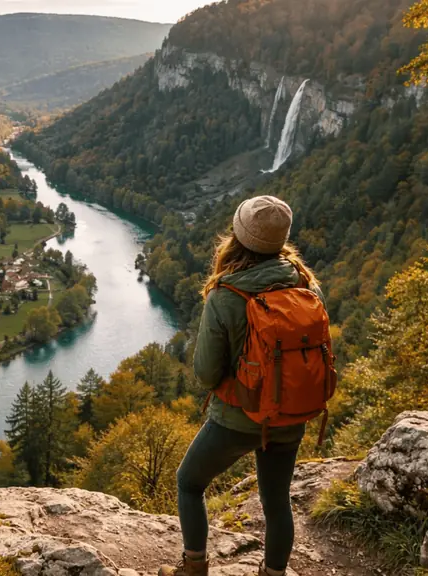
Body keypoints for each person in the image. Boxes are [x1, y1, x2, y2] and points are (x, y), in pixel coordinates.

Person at [159, 196, 324, 576]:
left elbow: (205, 374)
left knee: (188, 483)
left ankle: (194, 567)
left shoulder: (225, 295)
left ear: (236, 236)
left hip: (237, 418)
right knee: (276, 501)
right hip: (290, 414)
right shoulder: (307, 285)